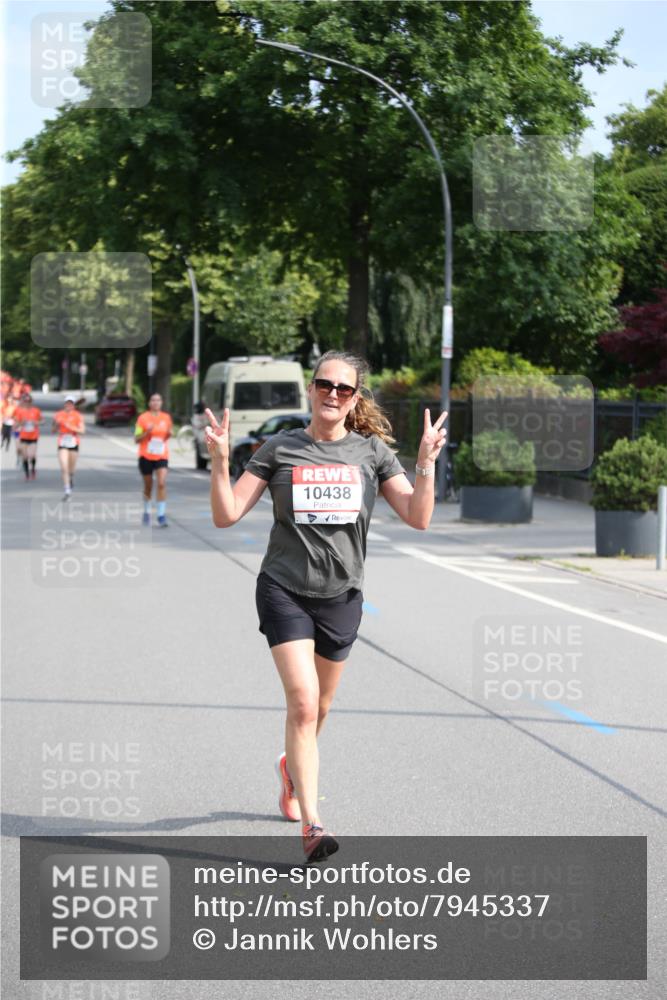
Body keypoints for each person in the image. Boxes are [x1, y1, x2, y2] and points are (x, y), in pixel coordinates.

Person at [205, 350, 446, 862]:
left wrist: (424, 464)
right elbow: (226, 515)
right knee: (304, 703)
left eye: (344, 388)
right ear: (311, 390)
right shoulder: (280, 447)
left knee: (324, 706)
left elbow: (418, 517)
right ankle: (313, 825)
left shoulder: (372, 453)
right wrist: (221, 461)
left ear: (356, 397)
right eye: (325, 385)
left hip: (341, 596)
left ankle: (290, 770)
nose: (333, 394)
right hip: (284, 588)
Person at [134, 393, 173, 527]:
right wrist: (146, 432)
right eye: (153, 400)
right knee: (148, 485)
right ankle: (146, 511)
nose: (156, 402)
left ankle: (161, 515)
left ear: (161, 402)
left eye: (158, 400)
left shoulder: (166, 418)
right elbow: (136, 439)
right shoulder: (143, 418)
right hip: (146, 455)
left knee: (161, 483)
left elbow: (166, 436)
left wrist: (169, 434)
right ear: (149, 403)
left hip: (161, 455)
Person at [52, 395, 85, 500]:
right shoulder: (58, 415)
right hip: (62, 443)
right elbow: (53, 431)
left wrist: (72, 428)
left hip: (73, 443)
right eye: (67, 403)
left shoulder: (78, 415)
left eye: (71, 403)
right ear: (64, 404)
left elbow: (82, 431)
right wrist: (56, 425)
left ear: (74, 405)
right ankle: (67, 490)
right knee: (64, 468)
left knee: (71, 470)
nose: (68, 405)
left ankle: (70, 478)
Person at [13, 392, 43, 480]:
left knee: (32, 455)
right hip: (23, 436)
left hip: (33, 437)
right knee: (25, 456)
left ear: (31, 402)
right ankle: (27, 474)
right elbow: (15, 425)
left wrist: (37, 423)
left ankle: (33, 469)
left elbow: (42, 421)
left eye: (29, 401)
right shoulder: (20, 411)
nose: (27, 402)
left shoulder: (36, 410)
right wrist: (21, 423)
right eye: (25, 401)